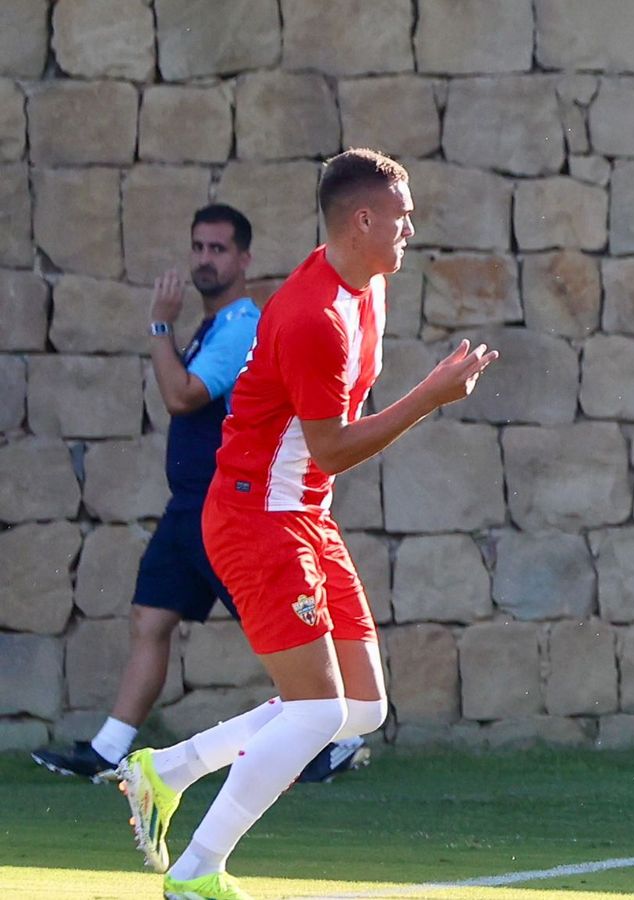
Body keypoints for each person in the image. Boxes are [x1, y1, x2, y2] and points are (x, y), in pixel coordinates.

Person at [113, 149, 498, 900]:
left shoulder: (369, 291)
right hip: (257, 516)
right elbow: (332, 445)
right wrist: (428, 397)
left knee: (360, 708)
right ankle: (196, 873)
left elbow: (323, 445)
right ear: (363, 220)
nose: (412, 227)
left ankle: (169, 769)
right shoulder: (313, 315)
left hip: (302, 515)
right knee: (319, 706)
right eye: (402, 214)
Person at [30, 206, 366, 786]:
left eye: (218, 249)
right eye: (199, 248)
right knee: (150, 617)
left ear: (243, 260)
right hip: (188, 506)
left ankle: (335, 738)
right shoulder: (215, 325)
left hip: (227, 505)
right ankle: (113, 747)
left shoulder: (242, 325)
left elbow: (183, 395)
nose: (205, 260)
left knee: (287, 627)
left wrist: (160, 326)